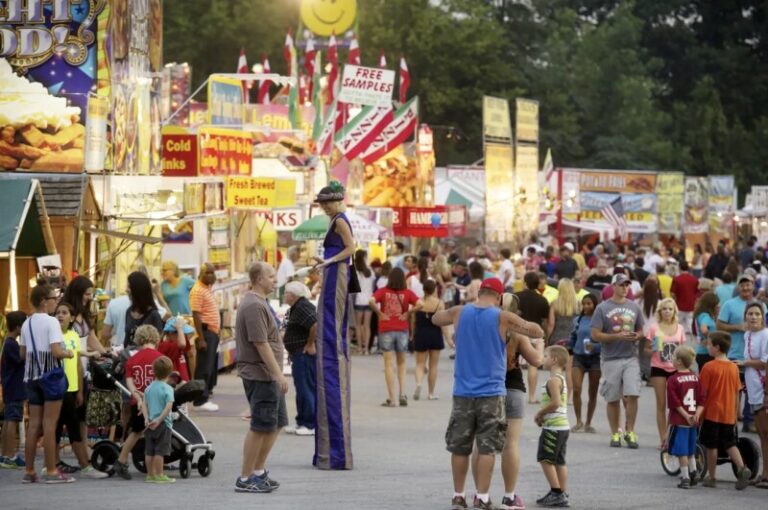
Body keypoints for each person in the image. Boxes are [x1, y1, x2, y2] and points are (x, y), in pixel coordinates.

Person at [432, 278, 544, 510]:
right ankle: (482, 498)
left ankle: (458, 496)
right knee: (487, 448)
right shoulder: (503, 316)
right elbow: (537, 330)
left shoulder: (460, 312)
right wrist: (519, 325)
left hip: (462, 391)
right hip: (492, 393)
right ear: (500, 297)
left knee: (460, 447)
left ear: (480, 291)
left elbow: (436, 318)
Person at [312, 182, 356, 470]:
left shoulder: (340, 221)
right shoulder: (336, 220)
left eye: (328, 202)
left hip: (337, 277)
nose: (325, 207)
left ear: (337, 202)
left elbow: (351, 248)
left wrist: (329, 261)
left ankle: (335, 453)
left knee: (332, 330)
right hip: (334, 275)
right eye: (323, 203)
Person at [235, 262, 288, 492]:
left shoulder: (260, 303)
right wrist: (278, 374)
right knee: (260, 425)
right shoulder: (254, 306)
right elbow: (260, 343)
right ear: (258, 279)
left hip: (268, 375)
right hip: (261, 374)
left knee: (275, 423)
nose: (275, 280)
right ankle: (245, 478)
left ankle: (258, 471)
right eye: (271, 276)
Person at [20, 284, 76, 484]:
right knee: (50, 425)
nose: (56, 301)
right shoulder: (52, 322)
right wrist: (69, 353)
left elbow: (22, 354)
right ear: (44, 301)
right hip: (51, 377)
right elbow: (56, 351)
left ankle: (29, 471)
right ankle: (51, 471)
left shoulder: (27, 323)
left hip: (33, 378)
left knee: (34, 425)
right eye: (53, 298)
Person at [496, 293, 542, 510]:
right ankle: (509, 496)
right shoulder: (517, 333)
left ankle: (480, 494)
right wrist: (540, 343)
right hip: (513, 387)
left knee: (483, 444)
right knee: (511, 444)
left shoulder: (487, 328)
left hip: (488, 388)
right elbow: (537, 360)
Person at [52, 302, 107, 478]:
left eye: (64, 312)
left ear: (72, 317)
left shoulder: (73, 336)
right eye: (57, 313)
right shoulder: (53, 336)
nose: (60, 315)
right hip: (56, 386)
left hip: (72, 388)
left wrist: (80, 391)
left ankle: (55, 464)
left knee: (67, 426)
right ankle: (83, 465)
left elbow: (77, 363)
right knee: (68, 427)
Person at [591, 273, 645, 449]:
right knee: (612, 398)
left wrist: (636, 335)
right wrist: (616, 336)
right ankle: (615, 432)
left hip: (631, 356)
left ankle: (630, 430)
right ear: (613, 286)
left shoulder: (634, 307)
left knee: (633, 394)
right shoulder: (602, 308)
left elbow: (641, 329)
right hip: (610, 358)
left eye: (627, 285)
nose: (624, 288)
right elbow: (595, 334)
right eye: (621, 284)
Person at [697, 331, 752, 489]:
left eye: (709, 344)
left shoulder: (708, 367)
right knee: (730, 444)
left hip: (712, 413)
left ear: (717, 347)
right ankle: (742, 467)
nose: (707, 346)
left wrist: (699, 413)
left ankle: (712, 477)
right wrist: (735, 413)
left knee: (712, 446)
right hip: (728, 414)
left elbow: (703, 392)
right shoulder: (734, 368)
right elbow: (736, 392)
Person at [113, 325, 164, 480]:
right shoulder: (160, 358)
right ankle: (156, 467)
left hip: (139, 402)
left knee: (136, 431)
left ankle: (122, 460)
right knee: (158, 433)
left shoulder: (132, 359)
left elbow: (129, 382)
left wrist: (138, 397)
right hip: (156, 403)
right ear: (156, 339)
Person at [717, 273, 766, 431]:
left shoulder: (761, 305)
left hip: (755, 360)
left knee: (753, 389)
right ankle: (730, 426)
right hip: (734, 355)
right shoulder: (730, 304)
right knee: (734, 394)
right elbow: (719, 325)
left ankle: (749, 422)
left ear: (753, 286)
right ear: (739, 287)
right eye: (743, 284)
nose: (746, 287)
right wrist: (737, 327)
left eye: (749, 284)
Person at [370, 268, 420, 407]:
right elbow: (420, 304)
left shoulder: (383, 291)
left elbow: (371, 300)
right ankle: (402, 393)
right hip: (402, 329)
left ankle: (392, 399)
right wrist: (408, 313)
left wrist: (379, 313)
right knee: (401, 362)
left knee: (388, 364)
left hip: (386, 328)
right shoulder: (407, 293)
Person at [533, 345, 571, 508]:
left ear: (554, 360)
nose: (543, 358)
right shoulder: (561, 378)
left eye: (546, 356)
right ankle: (561, 491)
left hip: (554, 428)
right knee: (559, 461)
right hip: (562, 427)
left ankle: (556, 493)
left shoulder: (553, 380)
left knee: (545, 459)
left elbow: (555, 403)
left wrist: (539, 413)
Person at [645, 298, 686, 448]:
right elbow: (646, 349)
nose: (667, 311)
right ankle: (663, 439)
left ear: (675, 311)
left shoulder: (680, 328)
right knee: (661, 404)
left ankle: (672, 436)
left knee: (675, 405)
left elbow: (683, 350)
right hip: (658, 368)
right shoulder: (654, 328)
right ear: (660, 311)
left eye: (670, 309)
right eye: (664, 309)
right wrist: (653, 350)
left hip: (676, 368)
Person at [282, 281, 317, 436]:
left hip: (303, 354)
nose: (284, 296)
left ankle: (309, 423)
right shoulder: (298, 307)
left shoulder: (302, 306)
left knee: (306, 388)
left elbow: (315, 324)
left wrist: (310, 344)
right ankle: (301, 421)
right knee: (301, 388)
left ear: (292, 295)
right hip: (298, 353)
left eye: (285, 293)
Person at [738, 301, 768, 486]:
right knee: (762, 433)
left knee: (766, 433)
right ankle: (764, 473)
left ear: (763, 316)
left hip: (764, 391)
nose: (754, 317)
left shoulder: (766, 335)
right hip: (754, 391)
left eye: (757, 314)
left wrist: (744, 363)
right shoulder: (747, 334)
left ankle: (767, 474)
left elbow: (766, 363)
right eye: (750, 314)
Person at [665, 345, 703, 489]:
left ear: (679, 361)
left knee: (681, 451)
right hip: (694, 421)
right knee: (691, 449)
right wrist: (697, 414)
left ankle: (685, 477)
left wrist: (686, 415)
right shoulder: (695, 377)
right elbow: (702, 398)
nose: (672, 359)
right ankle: (694, 472)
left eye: (674, 357)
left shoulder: (673, 380)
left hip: (681, 420)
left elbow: (674, 402)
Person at [190, 262, 220, 412]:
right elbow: (196, 315)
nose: (210, 275)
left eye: (212, 272)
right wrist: (201, 338)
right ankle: (200, 399)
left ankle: (205, 394)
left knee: (210, 367)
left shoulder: (207, 288)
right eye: (207, 272)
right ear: (201, 274)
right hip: (205, 333)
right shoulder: (198, 291)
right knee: (203, 368)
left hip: (212, 333)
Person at [141, 355, 176, 484]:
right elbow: (168, 407)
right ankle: (159, 475)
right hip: (163, 424)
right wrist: (160, 420)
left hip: (149, 423)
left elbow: (144, 404)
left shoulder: (149, 388)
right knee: (160, 451)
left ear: (153, 371)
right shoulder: (168, 389)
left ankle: (150, 474)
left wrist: (146, 418)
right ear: (169, 372)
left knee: (149, 451)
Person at [516, 271, 550, 404]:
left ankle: (513, 393)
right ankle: (531, 396)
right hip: (535, 334)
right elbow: (545, 321)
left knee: (513, 364)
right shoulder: (542, 300)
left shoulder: (516, 297)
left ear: (525, 283)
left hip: (518, 332)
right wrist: (545, 336)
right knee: (533, 365)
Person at [411, 280, 448, 401]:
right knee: (433, 366)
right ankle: (431, 393)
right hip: (435, 334)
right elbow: (443, 323)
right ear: (434, 290)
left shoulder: (418, 302)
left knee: (420, 364)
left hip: (421, 334)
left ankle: (418, 384)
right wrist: (448, 338)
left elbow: (413, 320)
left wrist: (412, 334)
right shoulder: (439, 303)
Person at [570, 294, 601, 434]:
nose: (586, 306)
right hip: (579, 357)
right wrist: (567, 348)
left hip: (595, 358)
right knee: (576, 388)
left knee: (592, 392)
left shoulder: (600, 321)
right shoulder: (578, 320)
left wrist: (595, 347)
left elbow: (605, 341)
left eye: (589, 303)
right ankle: (578, 421)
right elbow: (573, 336)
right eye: (584, 304)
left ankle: (588, 422)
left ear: (595, 304)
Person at [0, 310, 27, 469]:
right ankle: (9, 455)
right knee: (12, 420)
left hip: (11, 387)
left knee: (10, 420)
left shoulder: (7, 343)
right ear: (18, 327)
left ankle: (5, 454)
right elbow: (21, 358)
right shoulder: (12, 344)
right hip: (15, 388)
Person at [124, 271, 165, 349]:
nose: (126, 290)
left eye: (129, 287)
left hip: (146, 359)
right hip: (129, 358)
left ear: (137, 289)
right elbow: (126, 339)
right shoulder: (129, 312)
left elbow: (158, 343)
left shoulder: (154, 315)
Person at [352, 249, 376, 355]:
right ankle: (366, 348)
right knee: (367, 325)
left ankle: (359, 347)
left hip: (359, 300)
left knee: (358, 325)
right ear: (365, 257)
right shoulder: (370, 271)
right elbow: (373, 284)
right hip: (369, 301)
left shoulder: (355, 271)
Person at [158, 316, 193, 382]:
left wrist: (180, 326)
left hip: (181, 381)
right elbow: (182, 344)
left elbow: (191, 334)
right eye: (181, 333)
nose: (183, 335)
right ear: (171, 334)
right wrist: (179, 328)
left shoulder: (176, 342)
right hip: (174, 383)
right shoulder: (167, 345)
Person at [672, 261, 699, 339]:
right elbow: (697, 294)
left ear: (679, 268)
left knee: (678, 327)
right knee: (689, 328)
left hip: (679, 306)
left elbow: (673, 294)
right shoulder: (694, 279)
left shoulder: (676, 279)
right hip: (691, 306)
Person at [693, 292, 719, 370]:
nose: (718, 306)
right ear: (711, 305)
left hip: (702, 352)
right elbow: (704, 329)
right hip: (706, 353)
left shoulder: (700, 314)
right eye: (717, 304)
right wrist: (712, 340)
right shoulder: (705, 316)